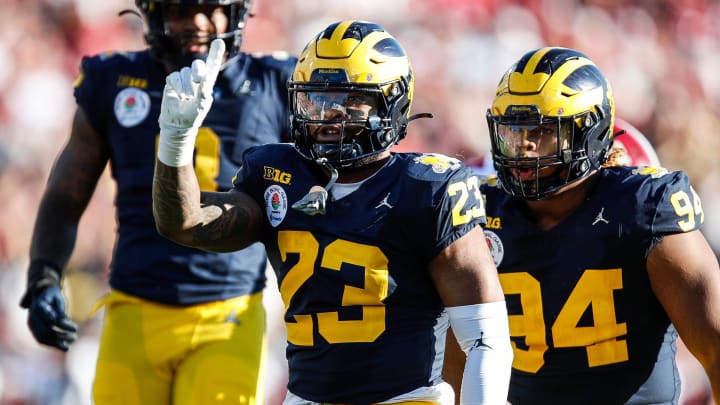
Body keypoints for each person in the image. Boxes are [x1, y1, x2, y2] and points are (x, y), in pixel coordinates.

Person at [152, 20, 513, 405]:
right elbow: (185, 222)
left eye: (346, 99)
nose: (327, 114)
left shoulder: (429, 186)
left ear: (390, 102)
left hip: (405, 397)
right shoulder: (277, 172)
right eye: (316, 99)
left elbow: (484, 338)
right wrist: (176, 138)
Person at [19, 0, 296, 403]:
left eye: (212, 8)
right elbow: (66, 194)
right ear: (155, 14)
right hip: (134, 307)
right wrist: (44, 275)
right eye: (182, 10)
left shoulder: (273, 83)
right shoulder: (114, 79)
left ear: (236, 12)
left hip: (229, 314)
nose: (198, 23)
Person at [474, 46, 720, 404]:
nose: (522, 148)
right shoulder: (480, 209)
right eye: (512, 131)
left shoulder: (643, 209)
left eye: (541, 132)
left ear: (588, 133)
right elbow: (458, 347)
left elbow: (716, 345)